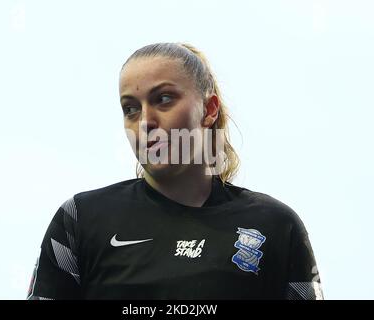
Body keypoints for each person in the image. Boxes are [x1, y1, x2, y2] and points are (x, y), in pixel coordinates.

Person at [27, 42, 323, 300]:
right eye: (130, 108)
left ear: (209, 110)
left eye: (163, 99)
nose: (145, 122)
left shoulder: (276, 226)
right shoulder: (80, 220)